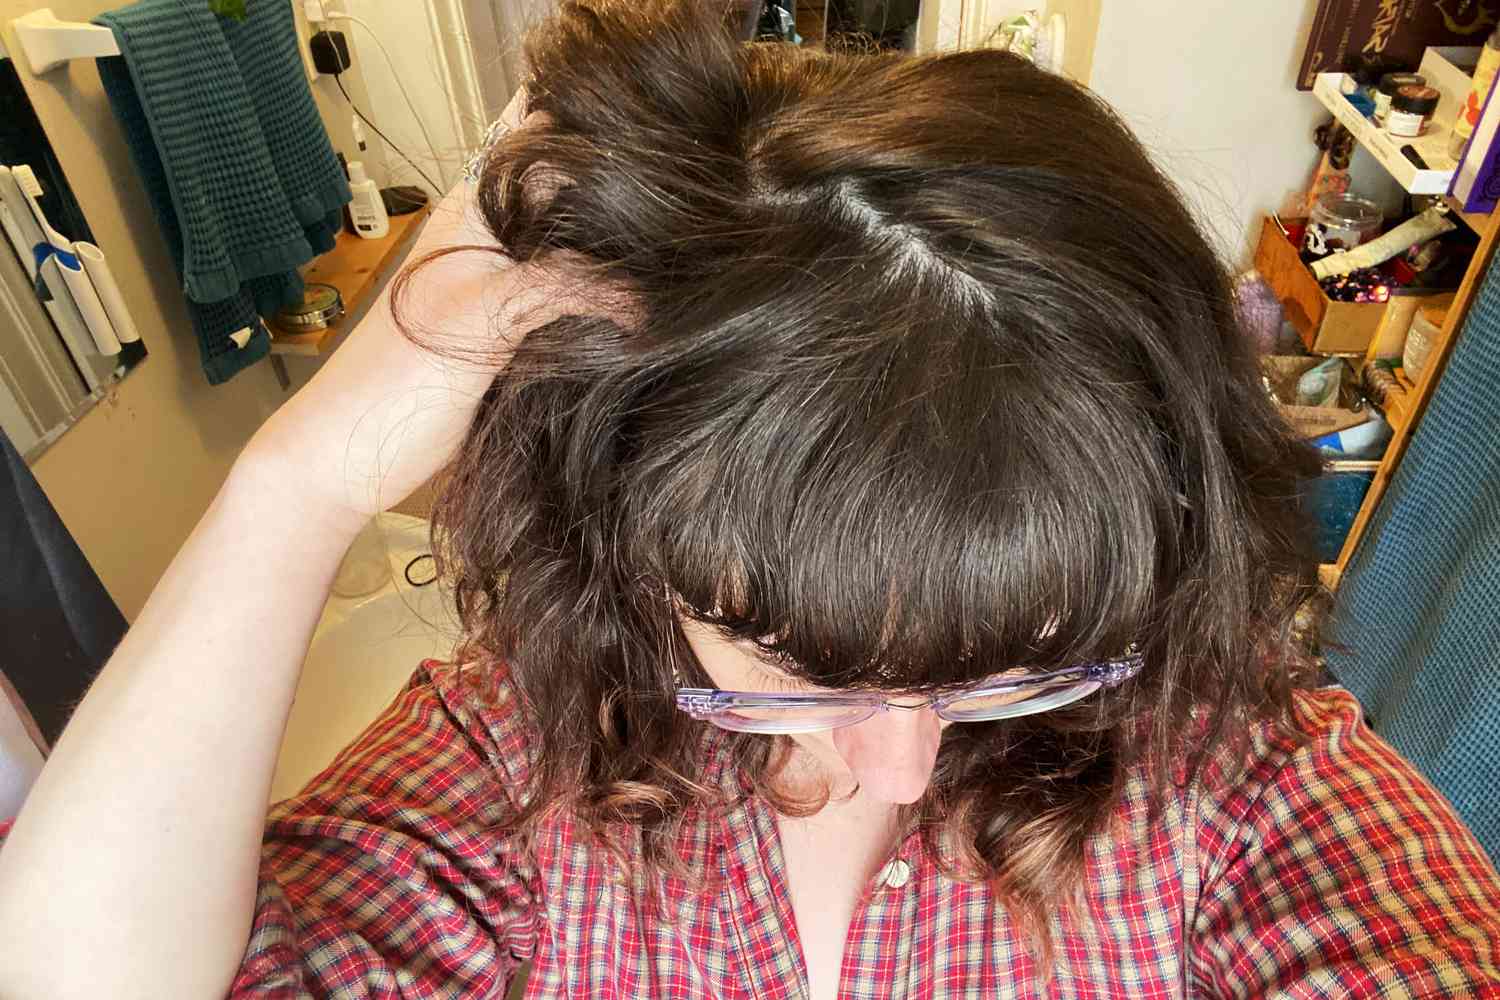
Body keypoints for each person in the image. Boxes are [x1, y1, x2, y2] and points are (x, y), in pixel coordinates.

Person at [4, 1, 1500, 996]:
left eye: (1020, 658)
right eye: (788, 665)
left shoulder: (1239, 773)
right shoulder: (512, 766)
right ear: (631, 554)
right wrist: (296, 482)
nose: (907, 770)